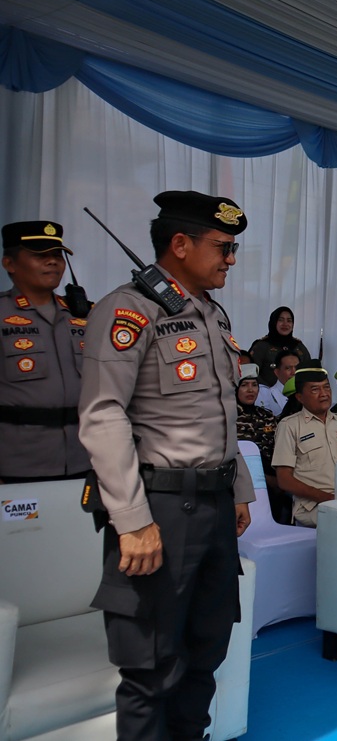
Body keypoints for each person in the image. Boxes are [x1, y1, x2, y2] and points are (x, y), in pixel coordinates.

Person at [77, 190, 255, 740]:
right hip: (160, 510)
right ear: (180, 244)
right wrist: (131, 521)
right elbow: (103, 414)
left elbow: (220, 410)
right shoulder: (128, 310)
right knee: (151, 668)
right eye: (223, 247)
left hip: (215, 505)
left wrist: (239, 490)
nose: (231, 259)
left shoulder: (211, 314)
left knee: (205, 652)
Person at [0, 220, 90, 482]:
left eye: (57, 255)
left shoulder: (84, 314)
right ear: (9, 264)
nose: (52, 262)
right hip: (18, 463)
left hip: (84, 459)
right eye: (40, 256)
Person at [271, 366, 337, 527]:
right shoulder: (290, 425)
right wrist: (328, 498)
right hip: (312, 507)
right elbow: (284, 480)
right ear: (300, 397)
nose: (324, 394)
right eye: (315, 389)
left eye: (326, 387)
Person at [234, 364, 290, 524]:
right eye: (244, 385)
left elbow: (279, 448)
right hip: (243, 483)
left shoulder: (267, 416)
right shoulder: (229, 417)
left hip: (274, 482)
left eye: (254, 385)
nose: (250, 390)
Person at [247, 306, 310, 387]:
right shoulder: (262, 346)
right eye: (281, 320)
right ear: (274, 322)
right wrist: (266, 390)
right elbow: (251, 373)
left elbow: (309, 371)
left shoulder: (299, 346)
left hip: (296, 392)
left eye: (289, 321)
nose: (285, 324)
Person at [256, 348, 299, 415]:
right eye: (288, 368)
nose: (294, 372)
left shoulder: (307, 394)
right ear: (277, 372)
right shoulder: (267, 395)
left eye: (297, 368)